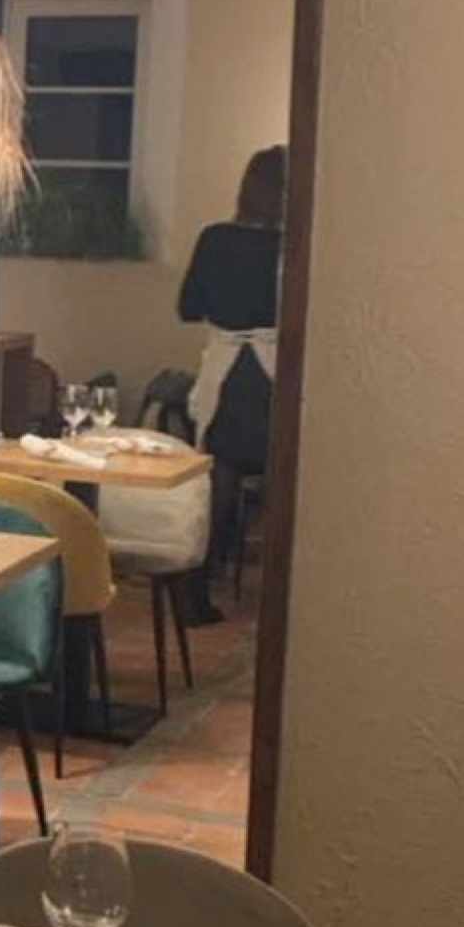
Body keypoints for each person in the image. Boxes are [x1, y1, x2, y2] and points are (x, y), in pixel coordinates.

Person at [173, 145, 285, 625]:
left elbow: (188, 308)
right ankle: (282, 598)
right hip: (275, 373)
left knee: (218, 484)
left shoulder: (215, 238)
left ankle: (194, 589)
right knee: (285, 483)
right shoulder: (293, 247)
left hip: (227, 375)